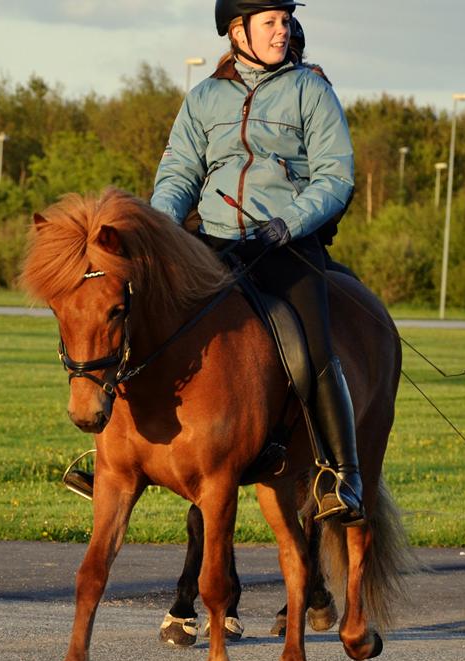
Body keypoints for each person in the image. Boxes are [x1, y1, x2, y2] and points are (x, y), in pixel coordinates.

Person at [150, 0, 363, 520]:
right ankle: (113, 452)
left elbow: (335, 178)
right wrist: (162, 230)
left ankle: (342, 474)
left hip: (285, 243)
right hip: (214, 241)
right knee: (140, 317)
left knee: (312, 351)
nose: (282, 30)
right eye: (270, 22)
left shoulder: (312, 91)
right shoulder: (204, 97)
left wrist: (287, 223)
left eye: (286, 21)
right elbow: (179, 172)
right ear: (237, 30)